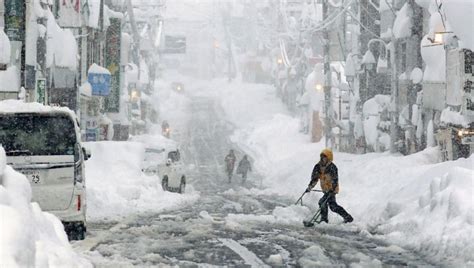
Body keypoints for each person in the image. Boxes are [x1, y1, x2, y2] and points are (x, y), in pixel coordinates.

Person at [306, 149, 353, 223]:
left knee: (322, 202)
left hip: (332, 190)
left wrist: (332, 189)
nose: (322, 159)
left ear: (328, 158)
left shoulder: (332, 167)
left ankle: (324, 220)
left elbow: (335, 179)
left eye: (324, 157)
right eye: (321, 157)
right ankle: (347, 217)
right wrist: (310, 187)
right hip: (325, 190)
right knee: (333, 206)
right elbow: (315, 178)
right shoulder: (318, 167)